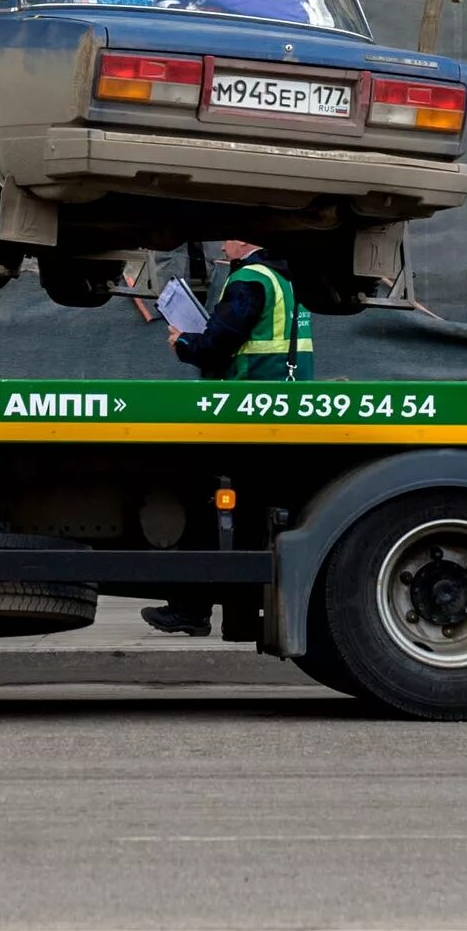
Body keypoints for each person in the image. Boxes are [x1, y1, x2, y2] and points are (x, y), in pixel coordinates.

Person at [142, 241, 314, 637]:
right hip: (280, 414)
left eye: (228, 237)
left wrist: (183, 341)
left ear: (246, 239)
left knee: (202, 505)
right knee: (256, 518)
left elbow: (217, 347)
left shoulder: (249, 279)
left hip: (247, 412)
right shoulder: (289, 278)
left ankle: (191, 608)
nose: (222, 245)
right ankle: (241, 615)